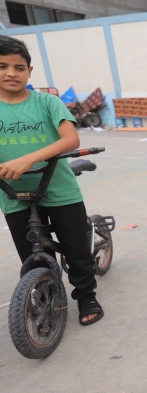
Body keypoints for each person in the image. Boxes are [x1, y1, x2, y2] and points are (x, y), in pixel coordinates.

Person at [0, 35, 104, 326]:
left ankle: (86, 296)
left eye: (19, 67)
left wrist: (28, 158)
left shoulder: (47, 102)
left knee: (76, 251)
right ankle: (45, 303)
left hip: (58, 190)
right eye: (2, 66)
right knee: (33, 257)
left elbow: (70, 138)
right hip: (12, 195)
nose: (11, 73)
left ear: (29, 72)